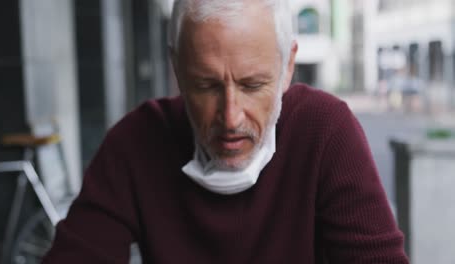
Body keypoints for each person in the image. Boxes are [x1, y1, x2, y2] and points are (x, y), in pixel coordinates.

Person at [43, 0, 409, 263]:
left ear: (287, 68)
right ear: (177, 68)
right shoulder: (136, 143)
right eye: (206, 86)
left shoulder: (325, 131)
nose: (231, 118)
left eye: (252, 85)